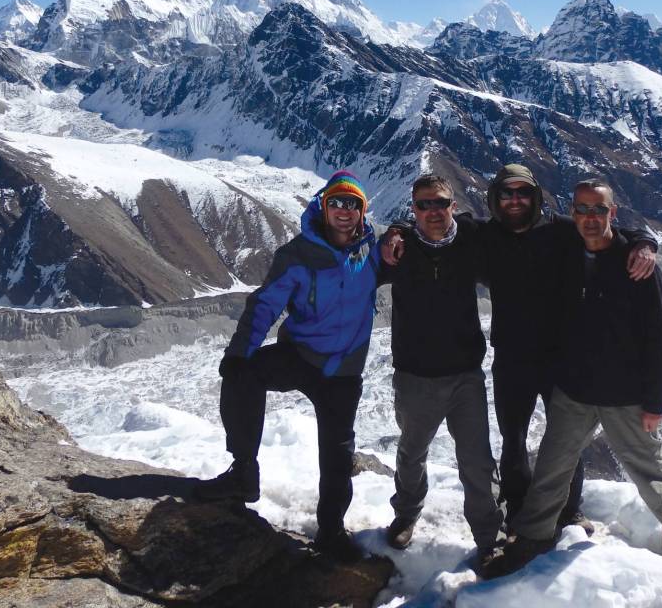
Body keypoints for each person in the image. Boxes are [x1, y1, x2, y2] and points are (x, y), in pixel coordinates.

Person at [486, 179, 662, 579]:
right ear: (572, 212)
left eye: (598, 210)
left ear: (612, 213)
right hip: (575, 390)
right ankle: (532, 537)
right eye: (581, 210)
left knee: (651, 471)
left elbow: (659, 338)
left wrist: (655, 401)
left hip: (625, 395)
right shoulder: (566, 248)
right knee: (552, 467)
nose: (589, 218)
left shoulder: (637, 265)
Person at [194, 171, 380, 564]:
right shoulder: (297, 254)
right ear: (323, 206)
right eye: (337, 202)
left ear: (362, 213)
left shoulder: (372, 251)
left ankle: (331, 530)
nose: (344, 211)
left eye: (353, 204)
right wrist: (240, 351)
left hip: (343, 371)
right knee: (243, 374)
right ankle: (243, 471)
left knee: (337, 455)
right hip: (300, 357)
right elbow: (265, 304)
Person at [479, 165, 656, 536]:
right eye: (507, 193)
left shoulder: (561, 230)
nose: (515, 200)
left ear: (535, 197)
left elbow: (613, 231)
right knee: (513, 439)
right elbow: (440, 228)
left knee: (565, 439)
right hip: (511, 357)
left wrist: (644, 242)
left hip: (561, 357)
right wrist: (397, 232)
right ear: (496, 198)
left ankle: (568, 510)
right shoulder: (485, 235)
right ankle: (516, 508)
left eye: (523, 192)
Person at [379, 174, 502, 571]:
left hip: (465, 374)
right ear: (412, 210)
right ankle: (406, 514)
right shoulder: (399, 249)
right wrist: (391, 233)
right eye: (424, 205)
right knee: (412, 454)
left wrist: (642, 239)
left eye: (441, 203)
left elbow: (527, 234)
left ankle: (489, 536)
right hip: (415, 375)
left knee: (477, 459)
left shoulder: (471, 238)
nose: (433, 211)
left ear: (454, 204)